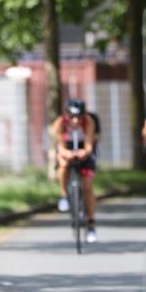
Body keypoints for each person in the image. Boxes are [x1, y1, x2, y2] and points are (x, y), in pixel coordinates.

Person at [51, 99, 98, 244]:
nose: (75, 120)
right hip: (67, 149)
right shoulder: (60, 123)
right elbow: (60, 146)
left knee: (88, 188)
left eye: (79, 116)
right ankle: (64, 195)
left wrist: (85, 152)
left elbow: (90, 146)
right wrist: (67, 154)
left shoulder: (89, 122)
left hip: (84, 150)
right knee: (63, 164)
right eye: (72, 116)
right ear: (67, 115)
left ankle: (91, 223)